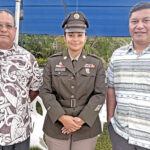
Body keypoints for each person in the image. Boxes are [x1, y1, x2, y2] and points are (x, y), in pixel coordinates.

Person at [39, 11, 106, 150]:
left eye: (79, 35)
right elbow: (45, 92)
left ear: (85, 37)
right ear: (64, 38)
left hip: (86, 126)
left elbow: (100, 95)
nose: (75, 39)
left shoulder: (96, 63)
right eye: (71, 35)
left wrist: (81, 120)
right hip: (56, 125)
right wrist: (62, 118)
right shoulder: (52, 62)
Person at [107, 1, 150, 150]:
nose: (139, 26)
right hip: (121, 134)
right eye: (134, 21)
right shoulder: (117, 55)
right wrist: (110, 119)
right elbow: (111, 88)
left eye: (146, 20)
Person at [0, 10, 42, 150]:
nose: (4, 29)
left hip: (18, 133)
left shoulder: (27, 59)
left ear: (15, 29)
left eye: (8, 26)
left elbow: (35, 89)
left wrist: (18, 104)